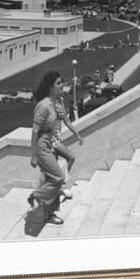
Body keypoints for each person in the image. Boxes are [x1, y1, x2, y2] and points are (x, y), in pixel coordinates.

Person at [28, 71, 83, 225]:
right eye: (58, 83)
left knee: (54, 179)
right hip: (43, 147)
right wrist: (33, 155)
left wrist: (75, 135)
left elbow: (62, 122)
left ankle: (49, 213)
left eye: (62, 83)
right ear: (51, 87)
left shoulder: (55, 103)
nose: (62, 86)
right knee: (56, 178)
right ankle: (38, 198)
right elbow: (34, 132)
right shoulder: (44, 105)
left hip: (52, 143)